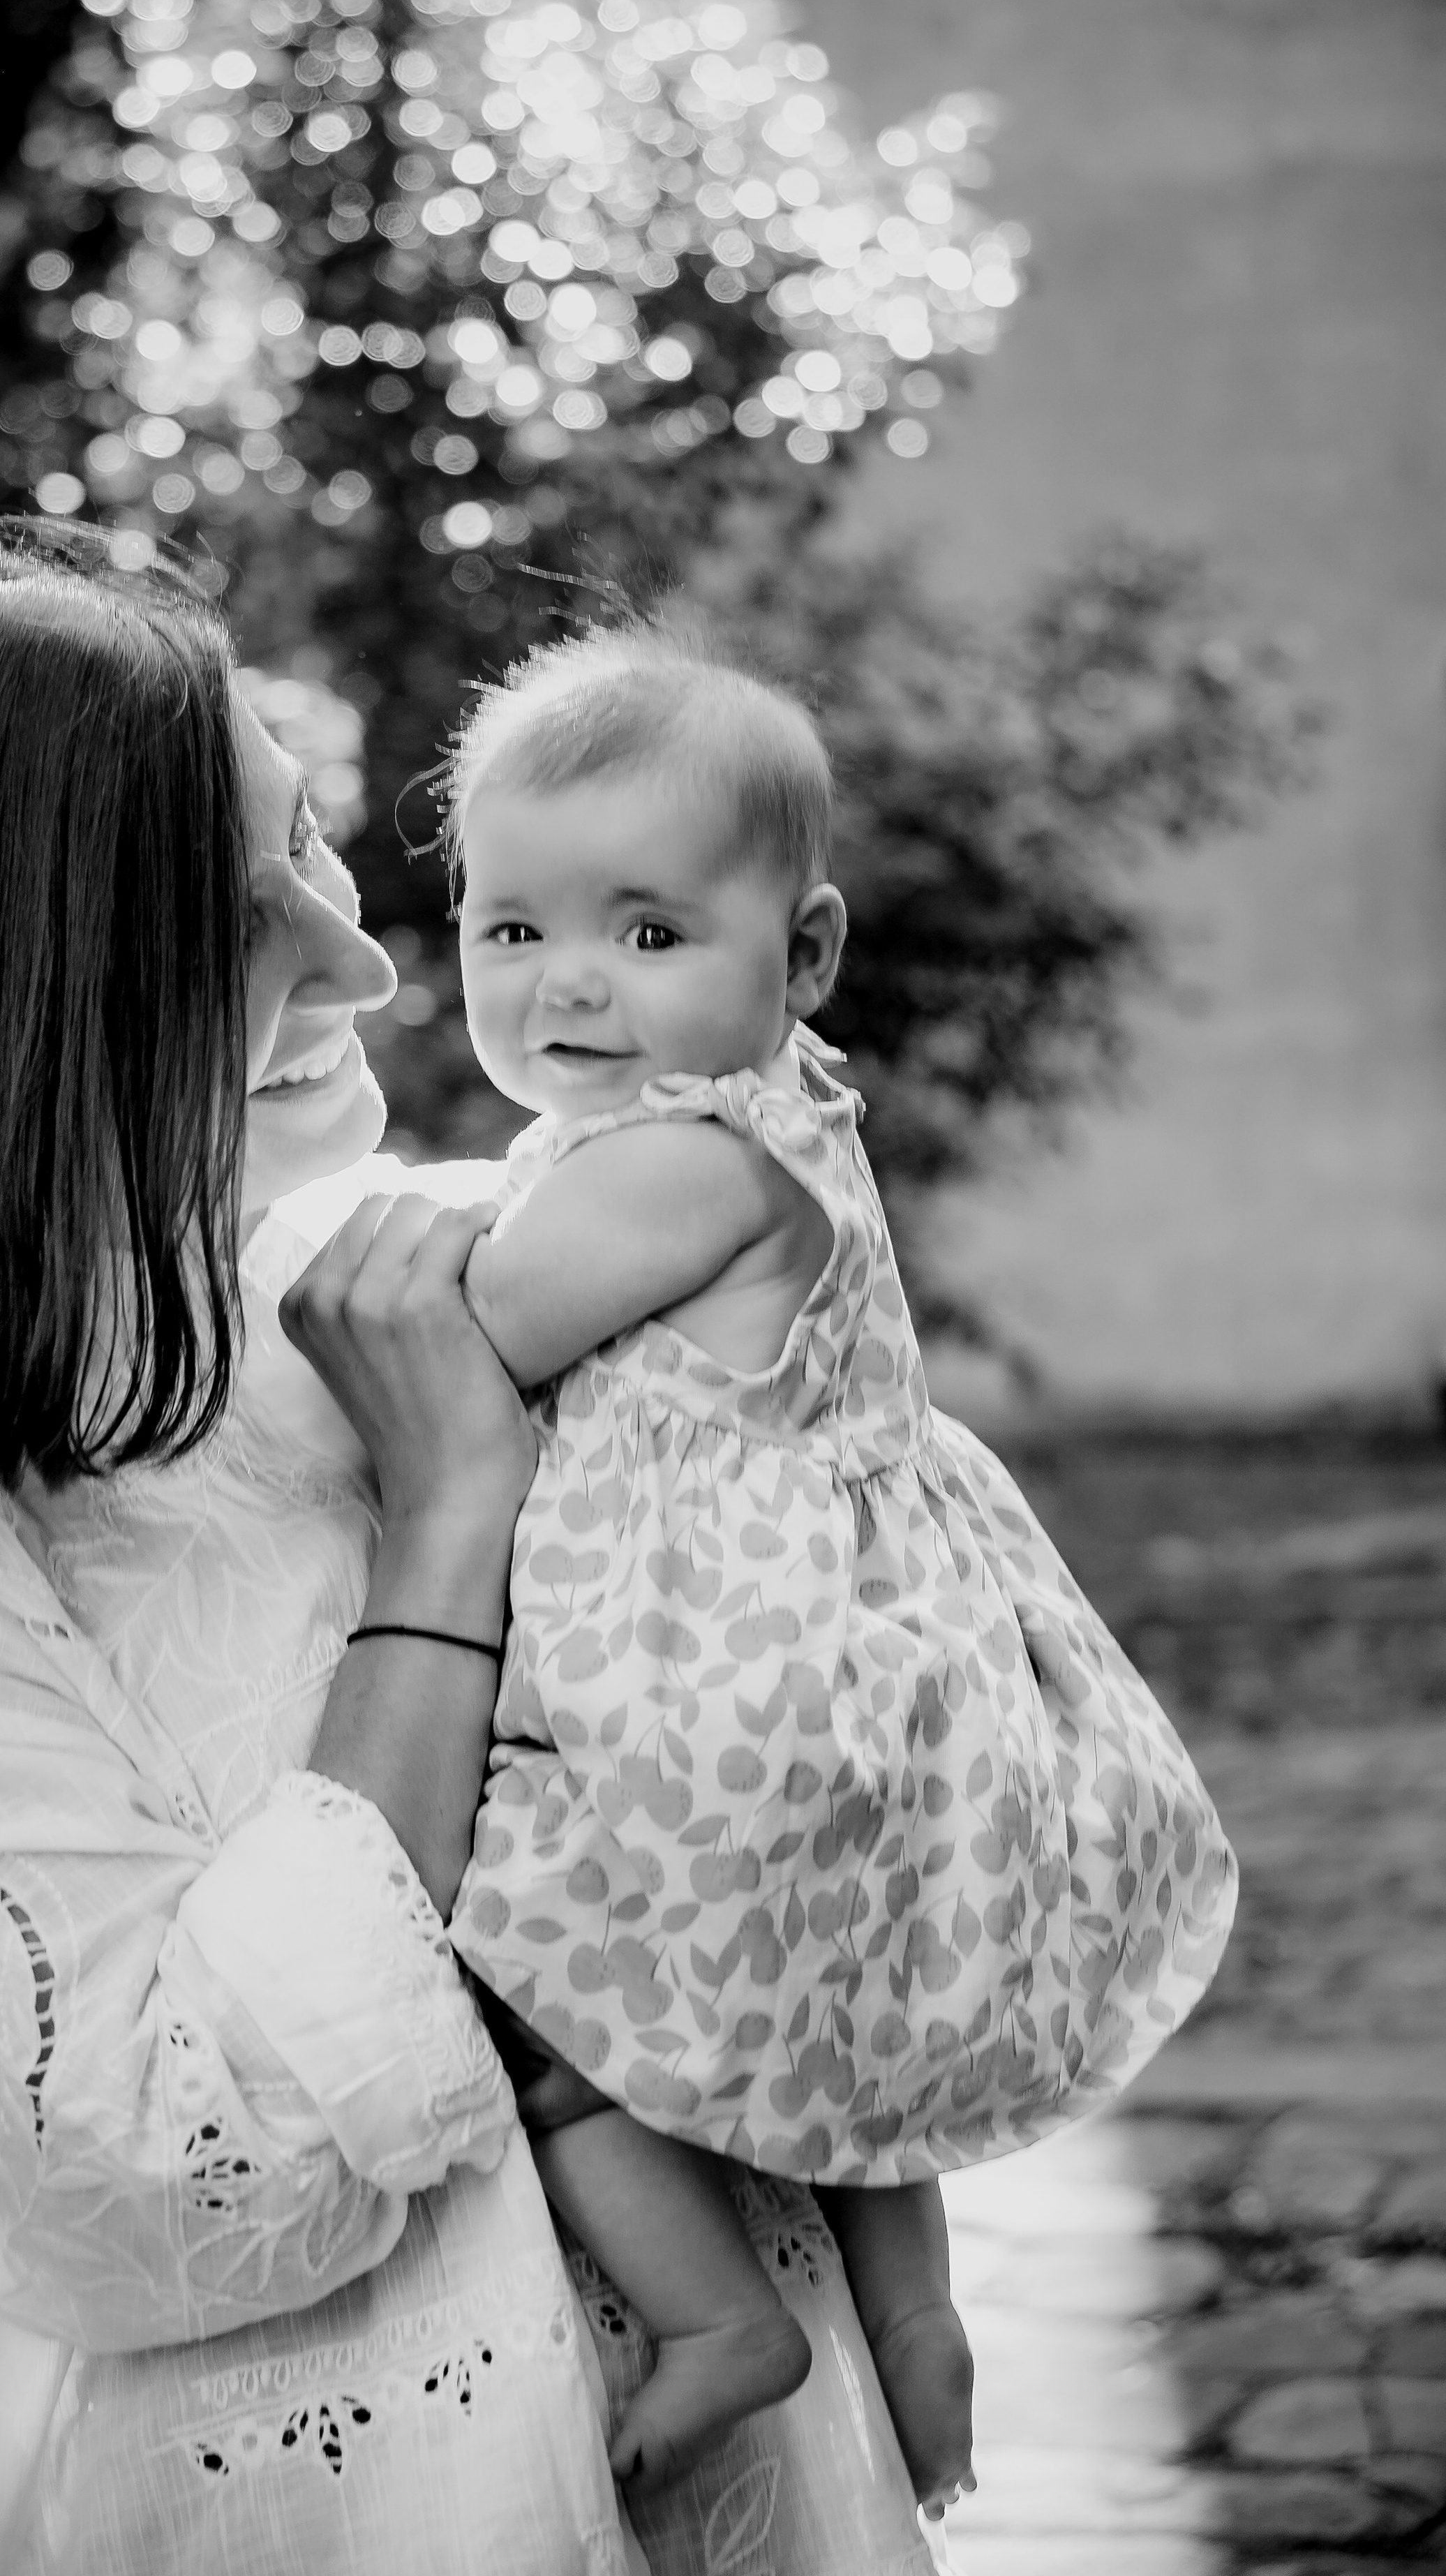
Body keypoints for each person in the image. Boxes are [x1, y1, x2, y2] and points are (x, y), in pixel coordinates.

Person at [0, 527, 938, 2576]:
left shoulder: (458, 1268)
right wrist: (448, 1529)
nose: (362, 965)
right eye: (232, 917)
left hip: (744, 2474)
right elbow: (155, 2181)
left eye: (309, 846)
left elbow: (840, 1722)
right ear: (2, 1010)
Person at [439, 630, 1240, 2505]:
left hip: (715, 1695)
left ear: (803, 953)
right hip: (862, 1677)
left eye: (648, 932)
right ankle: (917, 2323)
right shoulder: (785, 1113)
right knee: (842, 2015)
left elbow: (464, 1341)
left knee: (528, 1995)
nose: (569, 983)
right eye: (511, 928)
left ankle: (717, 2316)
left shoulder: (676, 1166)